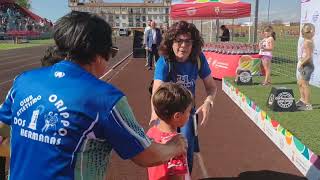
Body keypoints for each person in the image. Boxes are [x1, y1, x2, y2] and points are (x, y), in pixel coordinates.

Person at [0, 11, 187, 180]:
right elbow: (146, 156)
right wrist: (175, 146)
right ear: (99, 56)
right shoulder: (105, 98)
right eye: (110, 54)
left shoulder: (23, 81)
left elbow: (2, 130)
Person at [150, 20, 217, 173]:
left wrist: (208, 102)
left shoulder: (198, 59)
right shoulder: (165, 61)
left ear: (193, 44)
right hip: (167, 113)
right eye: (178, 41)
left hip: (187, 113)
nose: (183, 45)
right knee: (164, 150)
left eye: (188, 41)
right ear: (170, 42)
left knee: (186, 149)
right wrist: (154, 116)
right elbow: (156, 92)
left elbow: (212, 87)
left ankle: (187, 175)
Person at [147, 82, 193, 180]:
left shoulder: (151, 132)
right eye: (189, 111)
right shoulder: (177, 146)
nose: (190, 115)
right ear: (177, 116)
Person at [296, 23, 315, 111]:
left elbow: (308, 56)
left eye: (307, 31)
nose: (304, 33)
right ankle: (302, 100)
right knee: (300, 83)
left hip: (307, 65)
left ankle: (308, 104)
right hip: (305, 65)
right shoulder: (307, 41)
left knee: (304, 84)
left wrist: (301, 63)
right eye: (304, 31)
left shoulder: (308, 42)